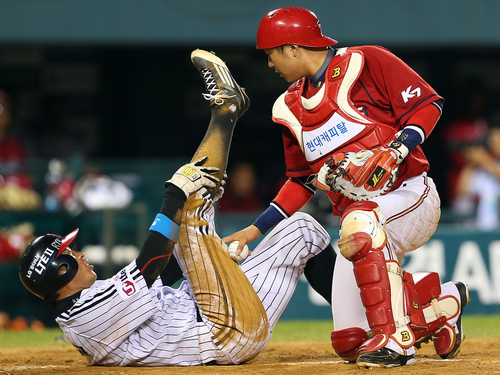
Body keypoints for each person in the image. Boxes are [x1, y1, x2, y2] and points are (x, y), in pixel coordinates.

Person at [18, 49, 335, 367]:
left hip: (221, 308)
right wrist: (173, 198)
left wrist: (212, 258)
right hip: (223, 333)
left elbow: (164, 271)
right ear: (61, 271)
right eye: (70, 255)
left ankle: (361, 328)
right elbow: (150, 264)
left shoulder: (86, 300)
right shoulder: (84, 313)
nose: (79, 254)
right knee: (188, 205)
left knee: (304, 232)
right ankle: (224, 111)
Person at [223, 6, 470, 368]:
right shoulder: (291, 107)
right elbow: (300, 182)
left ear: (292, 48)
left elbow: (427, 104)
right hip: (359, 225)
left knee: (359, 220)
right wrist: (253, 230)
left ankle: (396, 341)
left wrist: (398, 147)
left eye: (272, 54)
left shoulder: (367, 61)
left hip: (410, 194)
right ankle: (441, 306)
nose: (271, 64)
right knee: (350, 341)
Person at [455, 118, 500, 230]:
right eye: (492, 140)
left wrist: (485, 160)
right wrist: (472, 163)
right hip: (484, 228)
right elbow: (462, 191)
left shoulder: (487, 163)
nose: (494, 143)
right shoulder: (483, 167)